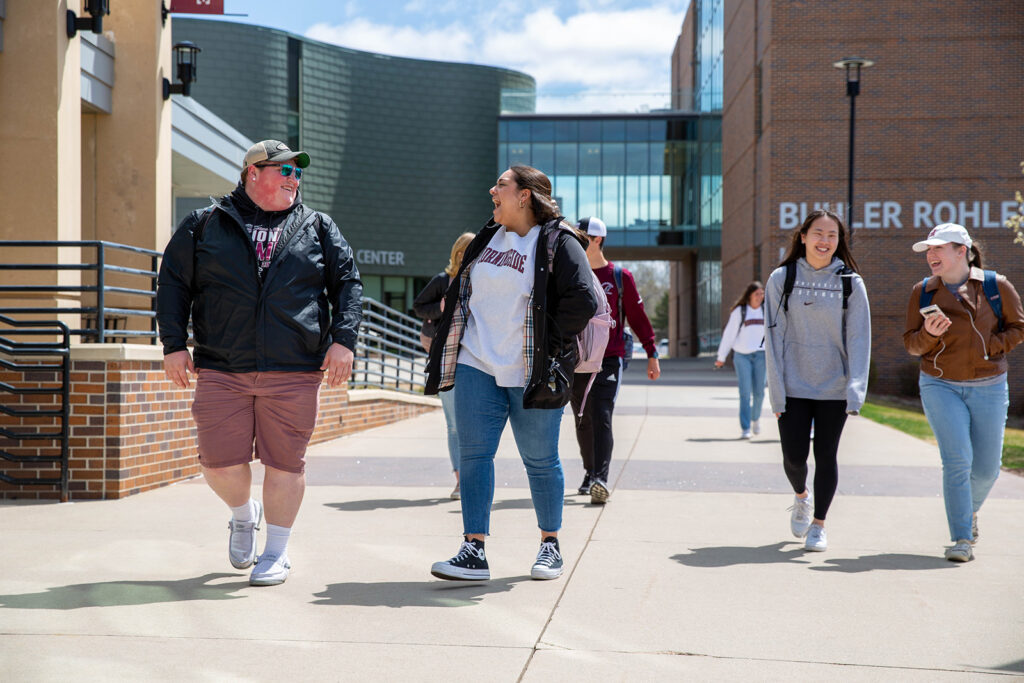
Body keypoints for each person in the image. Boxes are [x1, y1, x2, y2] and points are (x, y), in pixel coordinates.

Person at [156, 140, 362, 586]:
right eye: (284, 170)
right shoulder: (204, 224)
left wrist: (343, 340)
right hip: (221, 364)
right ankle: (243, 514)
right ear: (253, 172)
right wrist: (173, 344)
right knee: (216, 463)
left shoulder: (317, 226)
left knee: (286, 464)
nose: (294, 179)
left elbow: (347, 283)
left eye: (298, 173)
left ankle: (276, 551)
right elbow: (173, 285)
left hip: (294, 366)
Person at [424, 165, 598, 581]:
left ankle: (549, 545)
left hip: (530, 373)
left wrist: (548, 345)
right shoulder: (487, 237)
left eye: (501, 185)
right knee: (474, 456)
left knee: (540, 461)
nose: (492, 190)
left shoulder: (558, 240)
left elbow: (584, 300)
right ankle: (474, 550)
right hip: (476, 363)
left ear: (524, 196)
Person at [902, 223, 1024, 562]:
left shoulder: (995, 287)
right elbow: (912, 345)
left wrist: (992, 347)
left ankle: (967, 513)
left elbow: (1019, 326)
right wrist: (927, 333)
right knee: (957, 461)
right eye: (929, 249)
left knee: (987, 469)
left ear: (963, 251)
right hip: (939, 384)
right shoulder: (923, 291)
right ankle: (960, 539)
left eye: (939, 248)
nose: (931, 254)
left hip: (989, 385)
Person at [764, 209, 870, 552]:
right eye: (819, 234)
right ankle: (801, 495)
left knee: (826, 455)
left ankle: (819, 525)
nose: (825, 241)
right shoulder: (783, 278)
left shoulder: (850, 283)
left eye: (832, 235)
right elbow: (774, 337)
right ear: (803, 237)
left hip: (833, 387)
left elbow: (859, 339)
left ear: (839, 242)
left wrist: (856, 390)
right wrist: (777, 392)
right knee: (794, 458)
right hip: (793, 385)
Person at [569, 216, 660, 504]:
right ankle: (589, 470)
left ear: (597, 240)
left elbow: (637, 317)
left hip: (610, 358)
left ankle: (601, 479)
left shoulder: (620, 277)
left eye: (582, 237)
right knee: (583, 418)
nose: (577, 242)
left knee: (602, 414)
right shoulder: (571, 274)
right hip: (578, 359)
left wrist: (652, 353)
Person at [413, 232, 474, 500]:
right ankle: (461, 481)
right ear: (457, 253)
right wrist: (440, 307)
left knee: (473, 423)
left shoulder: (483, 281)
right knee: (453, 426)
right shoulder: (443, 280)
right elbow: (418, 307)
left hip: (476, 360)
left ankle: (474, 478)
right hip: (446, 360)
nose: (468, 255)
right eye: (465, 251)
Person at [715, 282, 766, 439]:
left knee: (759, 392)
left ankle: (755, 418)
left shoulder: (767, 310)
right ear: (749, 295)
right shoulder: (740, 311)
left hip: (761, 355)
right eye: (757, 294)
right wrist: (721, 357)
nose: (760, 297)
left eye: (762, 294)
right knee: (745, 392)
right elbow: (729, 335)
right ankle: (745, 427)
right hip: (742, 355)